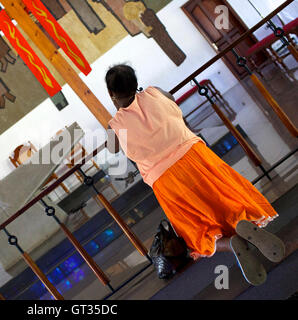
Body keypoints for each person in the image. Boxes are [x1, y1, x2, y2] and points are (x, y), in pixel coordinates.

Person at [105, 64, 285, 286]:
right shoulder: (154, 92)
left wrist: (116, 116)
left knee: (195, 230)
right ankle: (240, 222)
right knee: (223, 198)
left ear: (111, 94)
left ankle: (230, 244)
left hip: (165, 178)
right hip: (194, 155)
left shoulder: (115, 125)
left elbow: (112, 148)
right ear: (135, 82)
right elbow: (171, 100)